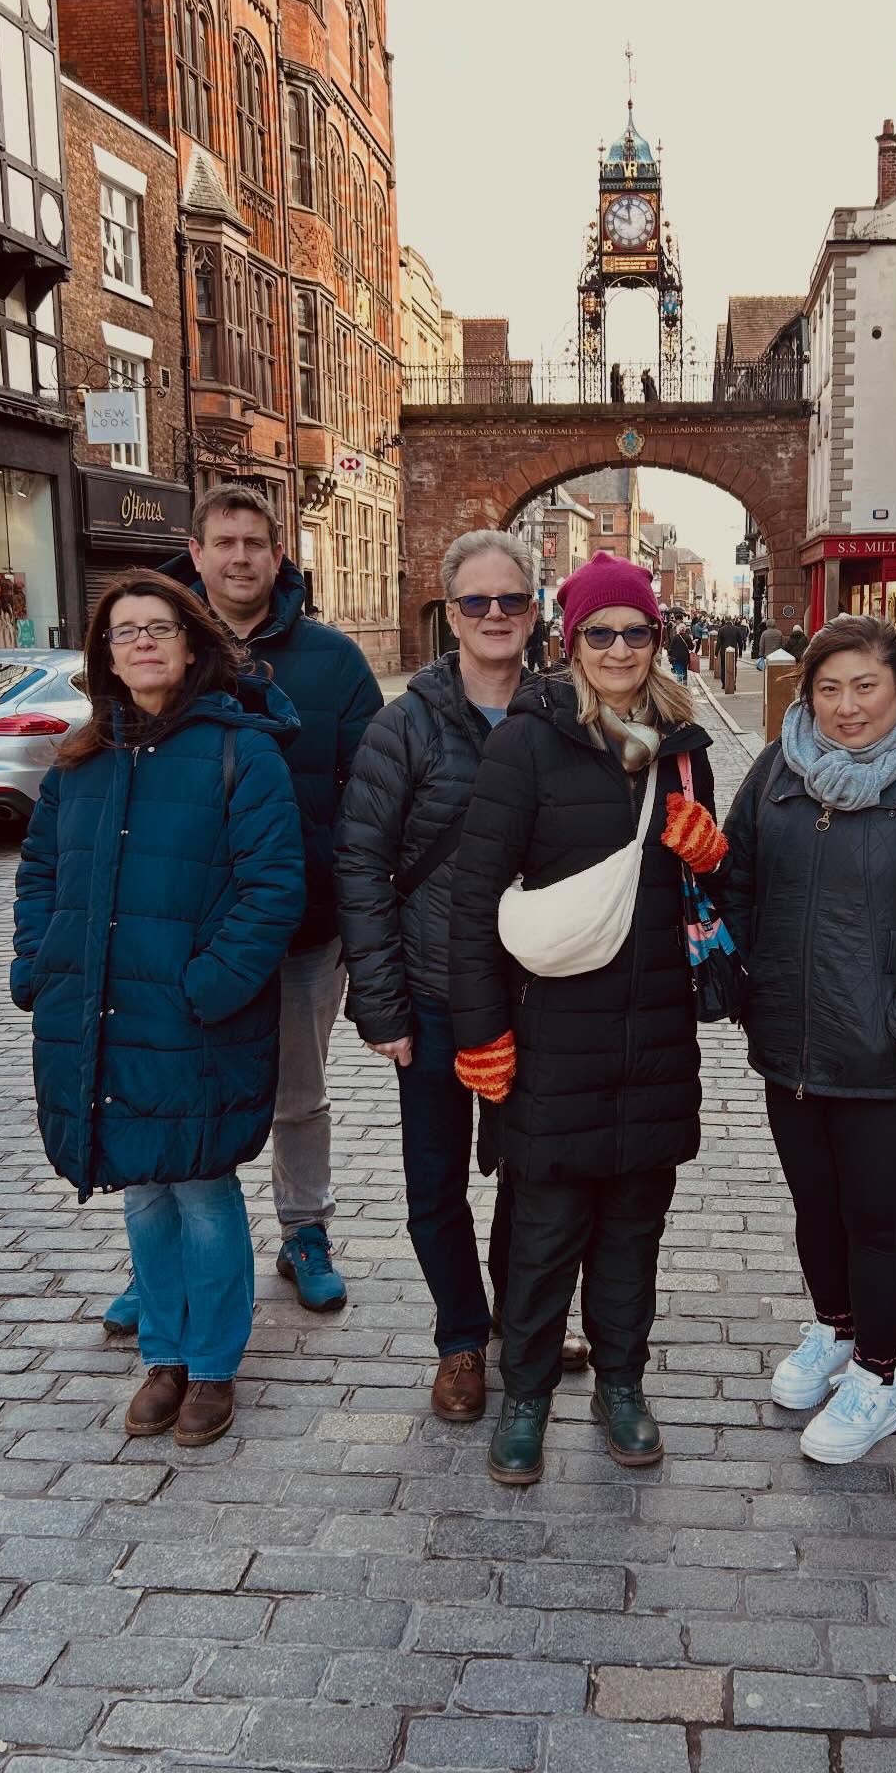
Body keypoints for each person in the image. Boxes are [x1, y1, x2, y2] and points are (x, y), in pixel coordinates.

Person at [448, 552, 723, 1486]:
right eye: (599, 632)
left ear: (656, 638)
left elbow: (712, 902)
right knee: (543, 1234)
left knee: (633, 1232)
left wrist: (713, 857)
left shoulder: (683, 747)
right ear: (571, 641)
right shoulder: (527, 743)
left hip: (653, 1032)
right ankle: (525, 1397)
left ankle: (622, 1385)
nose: (617, 648)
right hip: (552, 1036)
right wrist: (481, 1031)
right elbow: (473, 898)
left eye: (634, 631)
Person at [12, 572, 304, 1447]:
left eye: (159, 628)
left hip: (194, 1016)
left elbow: (272, 890)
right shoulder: (80, 761)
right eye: (124, 631)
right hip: (100, 1008)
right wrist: (38, 966)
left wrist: (209, 986)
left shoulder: (241, 751)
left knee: (202, 1186)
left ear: (191, 645)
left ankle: (211, 1366)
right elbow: (40, 874)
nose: (141, 642)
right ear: (105, 655)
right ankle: (164, 1357)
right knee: (142, 1189)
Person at [102, 485, 381, 1337]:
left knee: (298, 1091)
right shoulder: (159, 646)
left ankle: (305, 1232)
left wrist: (344, 893)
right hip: (179, 930)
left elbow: (373, 799)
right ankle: (165, 1259)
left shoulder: (334, 662)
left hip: (300, 926)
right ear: (196, 550)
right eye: (223, 542)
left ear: (277, 552)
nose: (240, 558)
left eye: (255, 542)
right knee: (170, 1089)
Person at [721, 616, 896, 1463]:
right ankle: (835, 1330)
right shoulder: (777, 768)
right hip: (795, 1044)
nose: (847, 707)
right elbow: (737, 878)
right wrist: (757, 984)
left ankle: (878, 1377)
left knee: (880, 1222)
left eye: (865, 686)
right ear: (806, 693)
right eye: (828, 689)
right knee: (816, 1209)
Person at [335, 533, 586, 1425]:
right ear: (450, 612)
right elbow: (361, 866)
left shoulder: (565, 713)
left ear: (534, 610)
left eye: (510, 600)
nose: (494, 616)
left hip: (536, 994)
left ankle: (523, 1315)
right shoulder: (404, 725)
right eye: (475, 601)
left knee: (533, 1171)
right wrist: (382, 1004)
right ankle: (460, 1339)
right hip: (437, 991)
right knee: (436, 1181)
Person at [668, 618, 694, 685]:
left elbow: (671, 647)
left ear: (678, 629)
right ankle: (684, 684)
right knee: (684, 670)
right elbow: (691, 647)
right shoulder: (687, 637)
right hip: (685, 657)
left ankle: (679, 684)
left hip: (677, 657)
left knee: (679, 670)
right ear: (684, 629)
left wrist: (669, 654)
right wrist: (693, 643)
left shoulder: (675, 637)